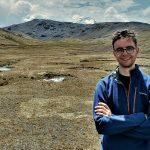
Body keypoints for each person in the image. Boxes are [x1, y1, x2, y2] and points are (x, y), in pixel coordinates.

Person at [93, 29, 150, 150]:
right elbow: (102, 126)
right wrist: (142, 117)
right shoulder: (103, 85)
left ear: (137, 51)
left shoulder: (149, 84)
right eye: (119, 49)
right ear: (114, 53)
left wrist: (112, 118)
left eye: (129, 48)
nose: (125, 53)